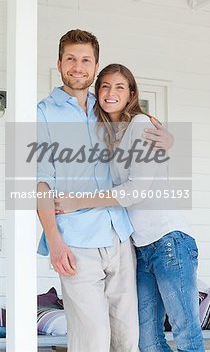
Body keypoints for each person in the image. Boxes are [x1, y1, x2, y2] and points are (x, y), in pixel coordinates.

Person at [37, 30, 172, 352]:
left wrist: (168, 140)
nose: (78, 66)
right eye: (70, 58)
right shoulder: (43, 112)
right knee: (92, 338)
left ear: (95, 66)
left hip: (119, 232)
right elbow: (40, 182)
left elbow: (148, 135)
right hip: (75, 238)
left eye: (85, 60)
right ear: (59, 64)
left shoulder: (109, 105)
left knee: (127, 336)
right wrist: (55, 242)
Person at [55, 63, 206, 352]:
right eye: (105, 86)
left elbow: (134, 191)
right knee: (147, 341)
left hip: (168, 240)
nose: (111, 92)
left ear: (131, 94)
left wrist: (76, 203)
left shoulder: (141, 125)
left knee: (185, 331)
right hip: (139, 246)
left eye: (119, 87)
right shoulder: (111, 135)